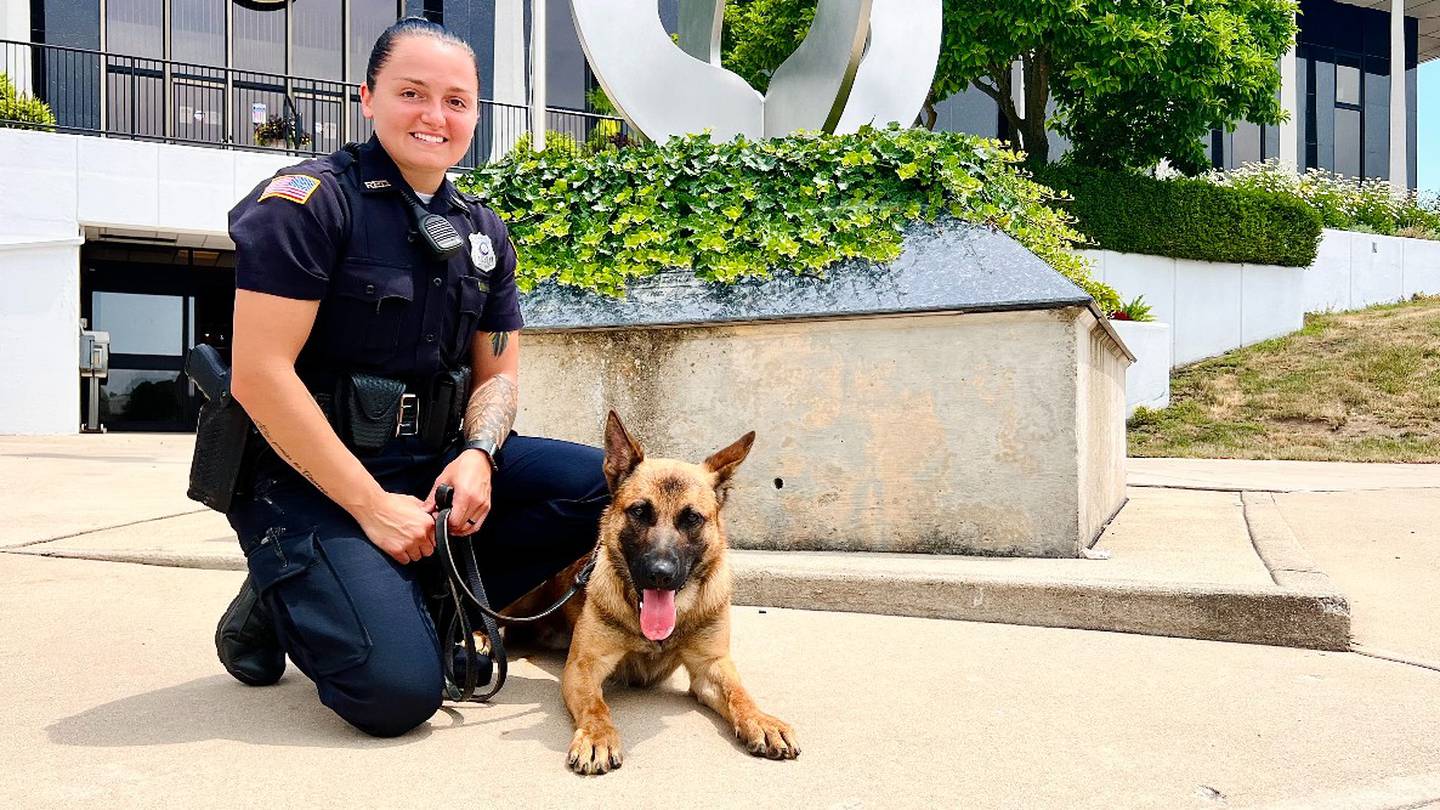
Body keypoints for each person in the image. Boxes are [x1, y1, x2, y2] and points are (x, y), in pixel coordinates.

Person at [214, 17, 609, 738]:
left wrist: (478, 455)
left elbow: (499, 371)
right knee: (398, 696)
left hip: (428, 462)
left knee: (609, 487)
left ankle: (407, 587)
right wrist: (369, 506)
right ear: (366, 97)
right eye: (412, 93)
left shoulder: (484, 234)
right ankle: (280, 591)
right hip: (307, 475)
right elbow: (259, 376)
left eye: (456, 101)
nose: (436, 116)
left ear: (476, 116)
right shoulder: (311, 204)